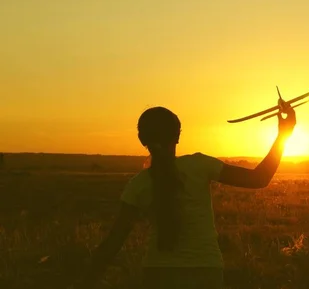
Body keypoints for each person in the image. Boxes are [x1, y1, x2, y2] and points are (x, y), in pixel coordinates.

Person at [72, 104, 296, 289]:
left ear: (142, 140)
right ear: (177, 136)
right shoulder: (200, 165)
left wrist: (84, 282)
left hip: (158, 276)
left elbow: (113, 242)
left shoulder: (138, 185)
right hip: (205, 274)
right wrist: (284, 134)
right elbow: (259, 179)